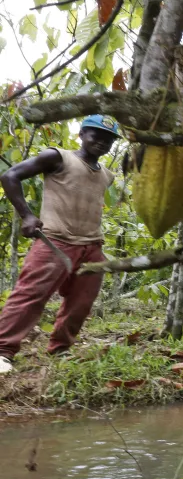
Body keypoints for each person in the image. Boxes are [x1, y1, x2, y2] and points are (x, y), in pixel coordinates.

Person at [0, 115, 120, 374]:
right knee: (30, 296)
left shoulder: (107, 175)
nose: (102, 141)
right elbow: (10, 176)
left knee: (81, 301)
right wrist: (27, 215)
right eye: (96, 135)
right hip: (54, 241)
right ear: (82, 134)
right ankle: (3, 351)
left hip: (91, 245)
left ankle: (61, 348)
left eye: (108, 139)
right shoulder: (58, 157)